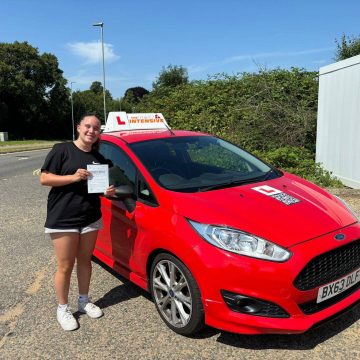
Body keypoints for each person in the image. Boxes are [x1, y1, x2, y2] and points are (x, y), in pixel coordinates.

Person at [40, 114, 115, 331]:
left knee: (85, 261)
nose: (91, 131)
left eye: (96, 128)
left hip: (90, 217)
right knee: (65, 265)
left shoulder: (99, 159)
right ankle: (63, 308)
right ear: (79, 127)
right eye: (88, 126)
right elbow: (44, 178)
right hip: (63, 217)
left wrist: (106, 191)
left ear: (99, 133)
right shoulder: (62, 150)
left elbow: (98, 188)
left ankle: (83, 301)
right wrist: (73, 177)